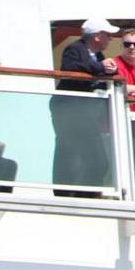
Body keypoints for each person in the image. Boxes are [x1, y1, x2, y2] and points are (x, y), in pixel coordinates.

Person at [55, 18, 120, 193]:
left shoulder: (97, 55)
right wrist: (100, 67)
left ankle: (87, 193)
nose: (110, 39)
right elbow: (71, 68)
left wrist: (111, 71)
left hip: (84, 111)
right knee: (69, 152)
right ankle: (66, 193)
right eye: (107, 35)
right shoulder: (74, 49)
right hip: (68, 109)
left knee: (96, 158)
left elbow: (98, 71)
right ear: (97, 36)